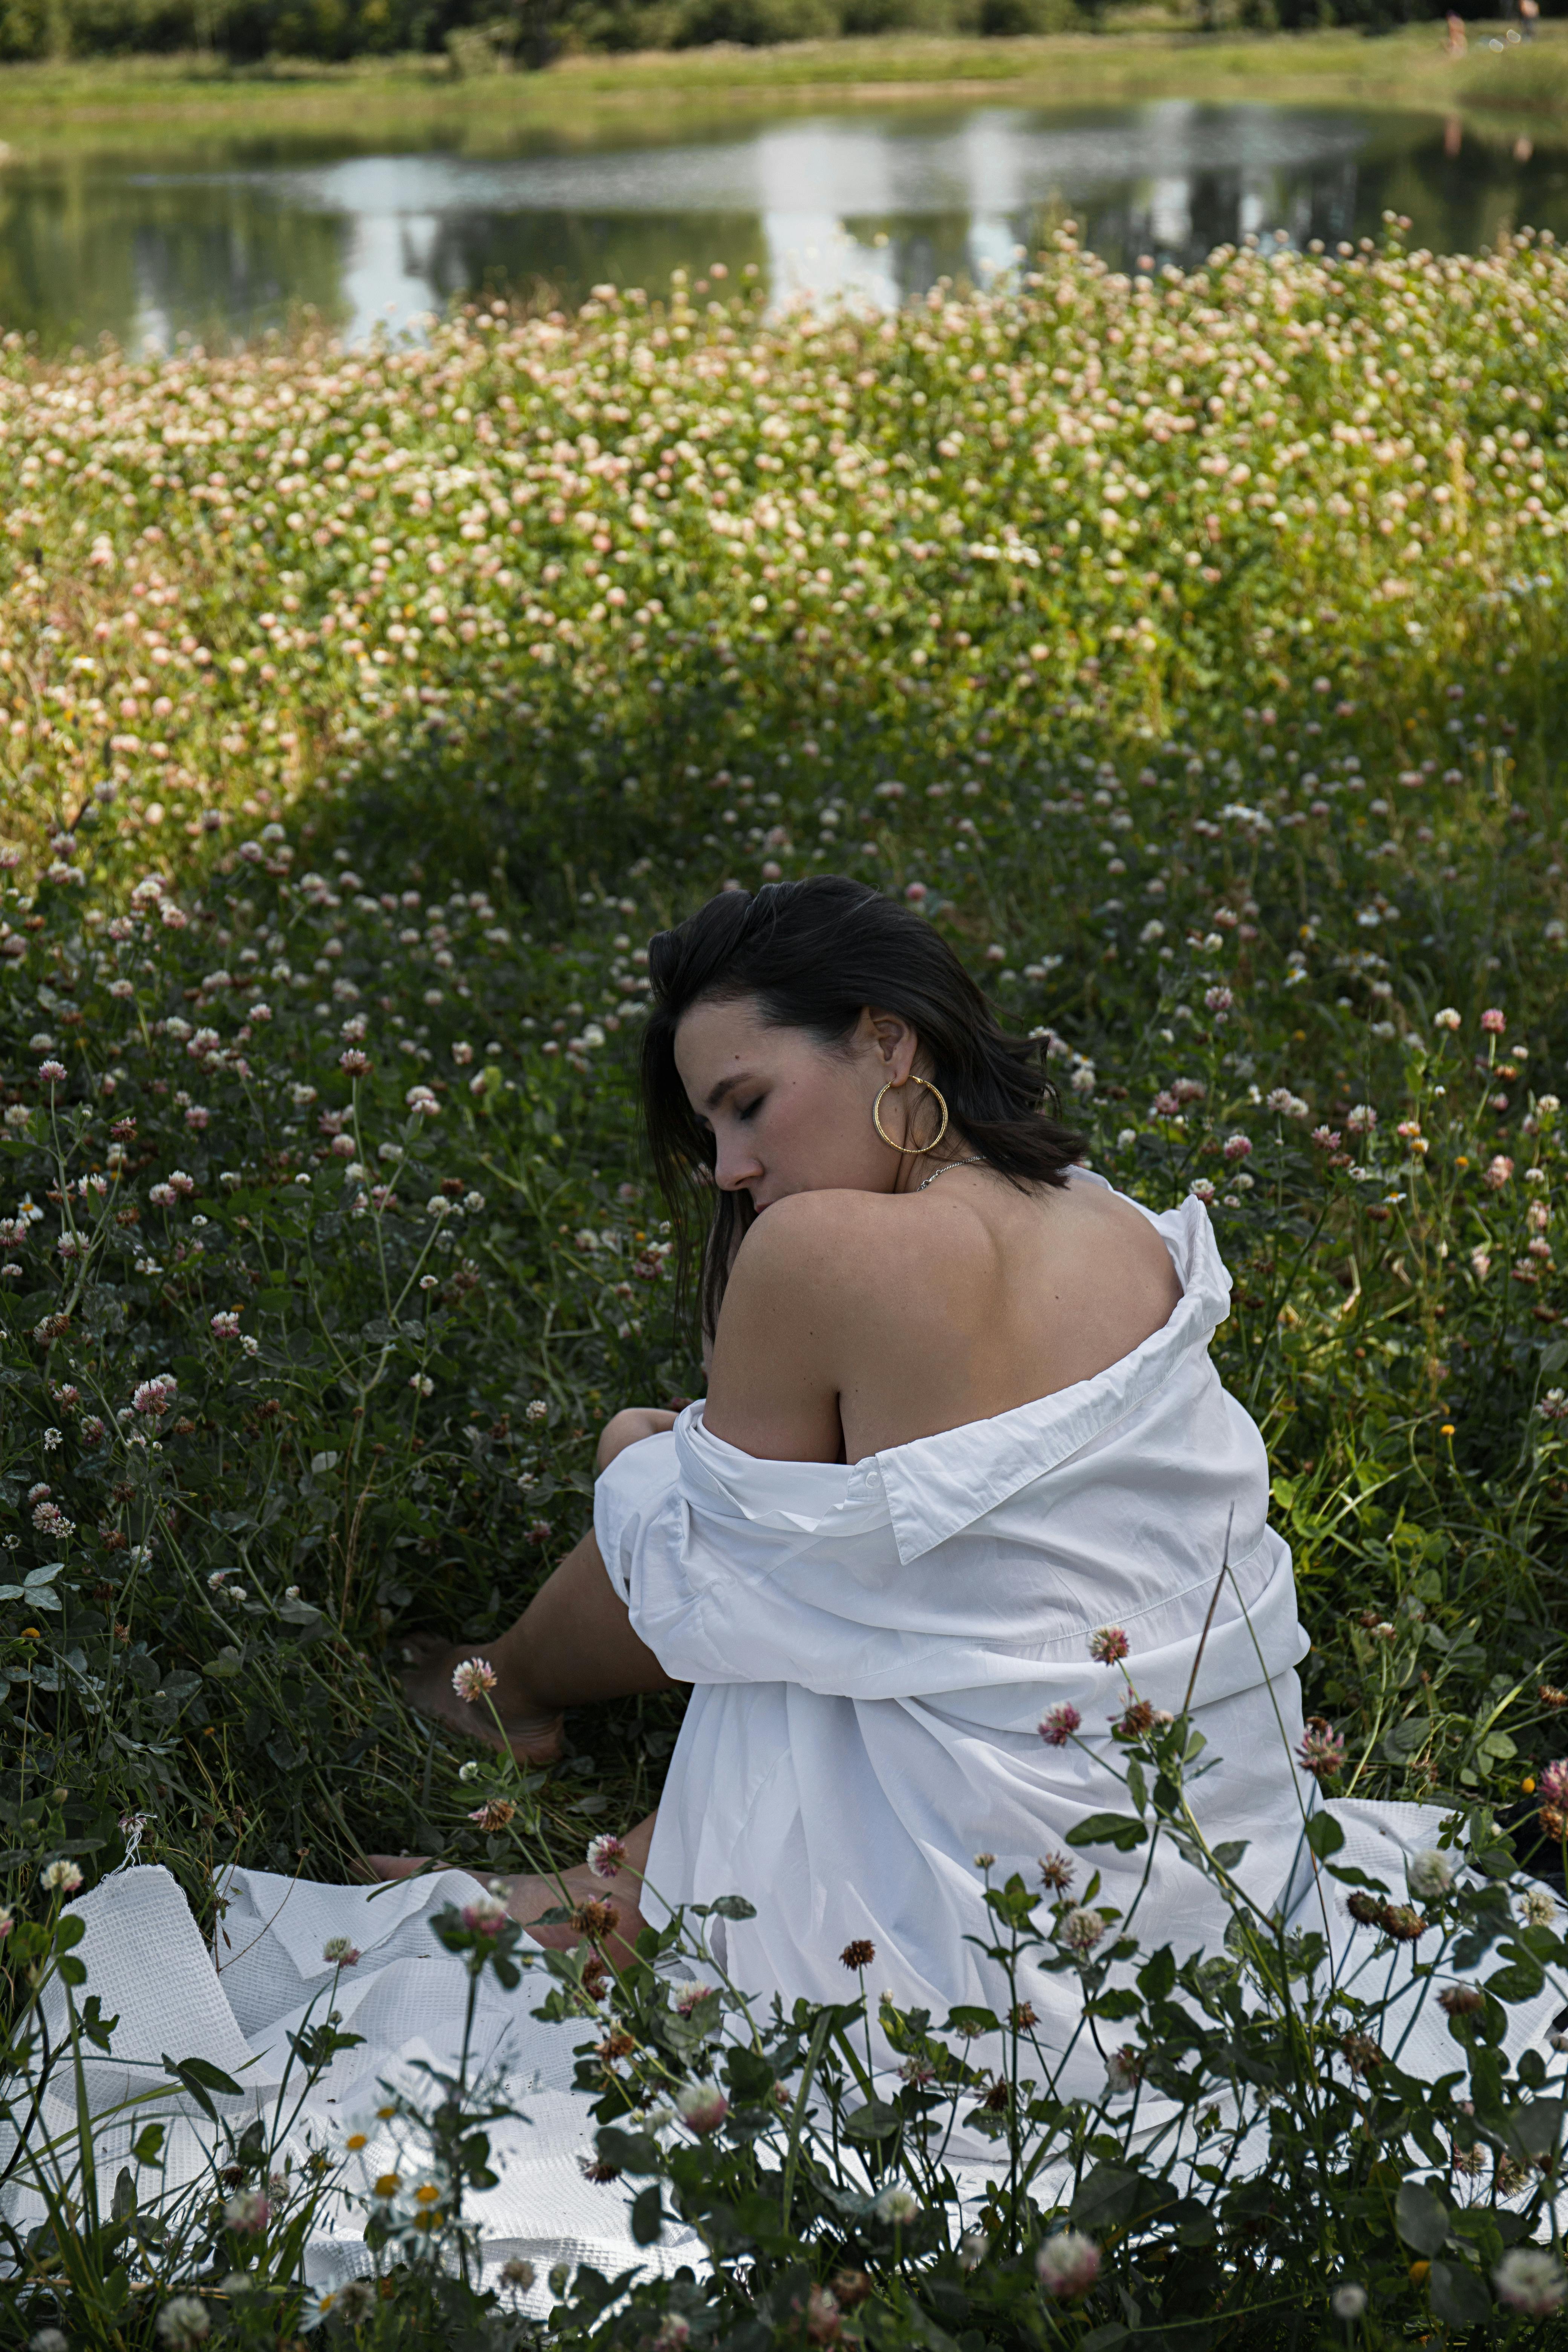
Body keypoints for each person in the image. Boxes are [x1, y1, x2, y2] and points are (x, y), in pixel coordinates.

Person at [377, 876, 1317, 2074]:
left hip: (960, 1945)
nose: (727, 1168)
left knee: (713, 1516)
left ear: (886, 1038)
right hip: (1216, 1873)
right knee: (836, 1559)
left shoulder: (825, 1251)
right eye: (712, 1132)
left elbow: (713, 1602)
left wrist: (631, 1457)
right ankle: (553, 1771)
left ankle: (522, 1729)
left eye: (749, 1105)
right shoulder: (1114, 1221)